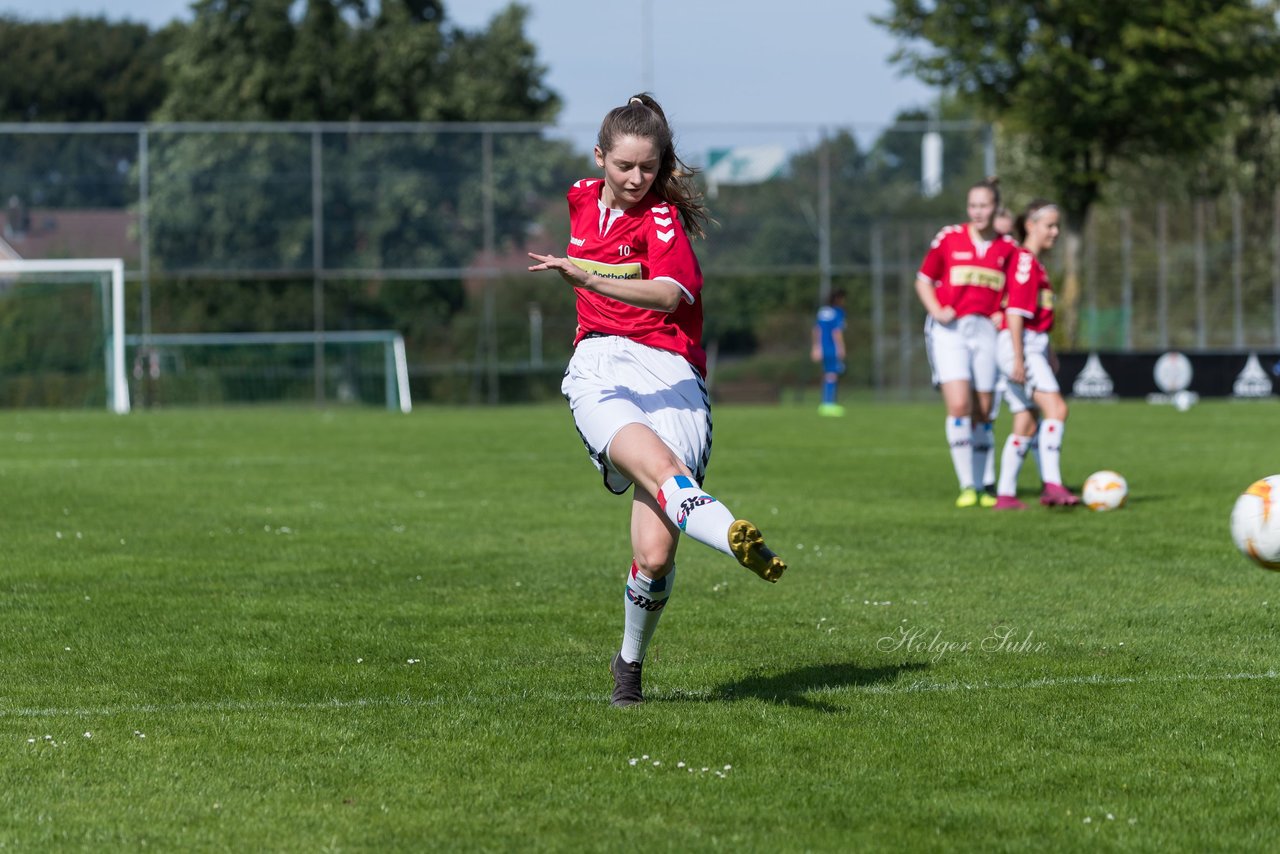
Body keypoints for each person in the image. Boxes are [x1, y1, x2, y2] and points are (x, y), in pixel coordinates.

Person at [527, 94, 787, 708]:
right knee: (661, 469)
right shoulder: (578, 194)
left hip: (670, 371)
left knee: (654, 553)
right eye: (623, 166)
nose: (636, 179)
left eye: (648, 167)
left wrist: (587, 276)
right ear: (599, 158)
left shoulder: (663, 220)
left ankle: (628, 669)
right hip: (600, 367)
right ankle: (735, 537)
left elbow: (671, 295)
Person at [916, 177, 1019, 508]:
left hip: (985, 332)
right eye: (973, 205)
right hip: (951, 331)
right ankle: (968, 487)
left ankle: (983, 485)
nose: (978, 211)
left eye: (984, 205)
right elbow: (923, 281)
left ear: (995, 207)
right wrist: (936, 309)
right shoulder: (950, 237)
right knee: (959, 404)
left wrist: (1002, 313)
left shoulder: (1008, 248)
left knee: (985, 411)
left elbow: (1016, 296)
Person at [992, 199, 1081, 508]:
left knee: (1026, 421)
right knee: (1056, 409)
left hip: (1030, 346)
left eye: (1057, 226)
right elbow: (1015, 314)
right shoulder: (1026, 260)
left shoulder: (1033, 263)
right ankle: (1053, 485)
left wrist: (1048, 351)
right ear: (1030, 225)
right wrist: (1019, 357)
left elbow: (1031, 317)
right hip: (1021, 346)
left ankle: (1005, 494)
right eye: (1049, 225)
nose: (1055, 232)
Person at [812, 288, 847, 416]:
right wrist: (841, 347)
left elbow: (817, 330)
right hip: (832, 348)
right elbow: (836, 332)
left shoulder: (822, 312)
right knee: (832, 374)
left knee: (827, 374)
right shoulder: (838, 312)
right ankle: (828, 404)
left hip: (822, 347)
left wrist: (816, 347)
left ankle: (826, 402)